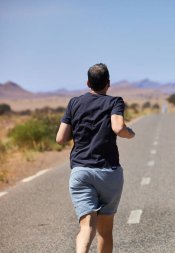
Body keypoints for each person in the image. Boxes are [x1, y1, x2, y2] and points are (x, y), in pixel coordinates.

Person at [56, 63, 135, 253]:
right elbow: (119, 128)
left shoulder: (74, 103)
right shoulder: (114, 102)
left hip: (81, 172)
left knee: (86, 227)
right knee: (105, 231)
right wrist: (130, 133)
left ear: (87, 83)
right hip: (108, 172)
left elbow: (60, 138)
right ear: (108, 83)